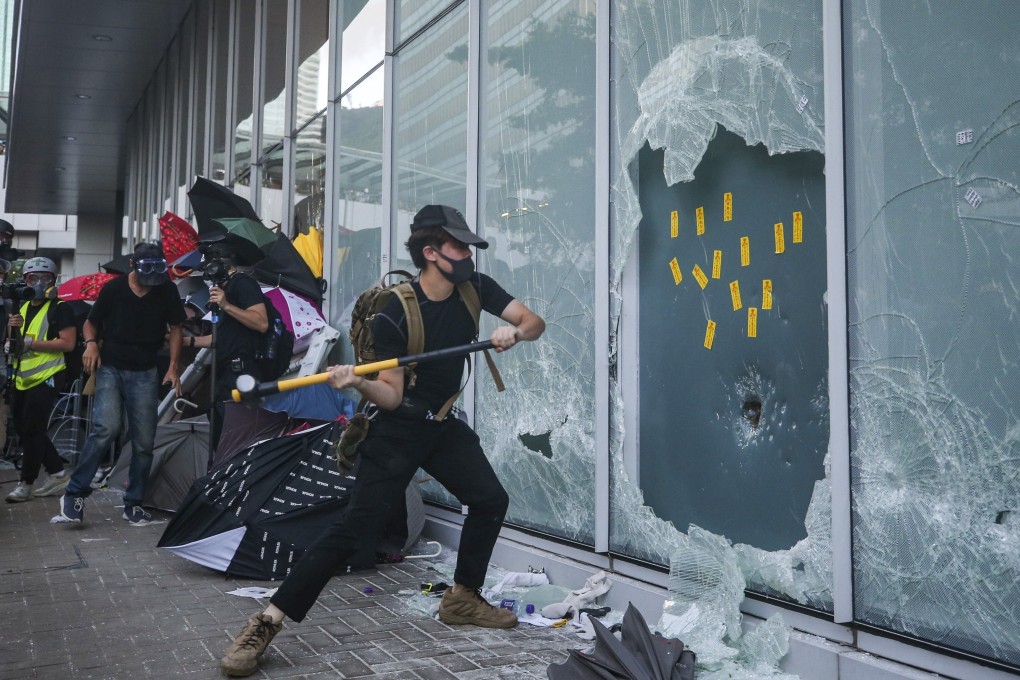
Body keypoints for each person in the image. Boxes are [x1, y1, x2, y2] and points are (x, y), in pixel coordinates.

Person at [219, 204, 545, 677]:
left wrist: (512, 332)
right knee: (353, 533)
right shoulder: (395, 309)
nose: (468, 252)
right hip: (395, 429)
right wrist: (356, 383)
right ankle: (265, 623)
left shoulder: (475, 288)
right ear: (432, 252)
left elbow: (535, 322)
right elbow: (390, 396)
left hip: (439, 423)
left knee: (489, 499)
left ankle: (463, 599)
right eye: (458, 245)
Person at [54, 242, 186, 525]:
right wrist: (90, 344)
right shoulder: (113, 289)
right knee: (106, 428)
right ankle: (74, 493)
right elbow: (91, 323)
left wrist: (174, 367)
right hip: (111, 367)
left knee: (143, 440)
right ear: (132, 266)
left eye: (157, 270)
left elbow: (176, 327)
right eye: (145, 271)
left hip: (145, 371)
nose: (151, 277)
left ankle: (134, 502)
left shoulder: (166, 289)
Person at [4, 257, 76, 502]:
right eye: (33, 278)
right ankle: (57, 473)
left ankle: (26, 483)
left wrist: (31, 343)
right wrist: (11, 331)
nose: (38, 282)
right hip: (22, 377)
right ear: (25, 280)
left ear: (53, 281)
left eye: (45, 278)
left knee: (33, 429)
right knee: (25, 430)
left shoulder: (60, 308)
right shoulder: (21, 306)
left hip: (48, 376)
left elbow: (68, 343)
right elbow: (13, 344)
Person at [189, 240, 268, 447]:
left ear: (224, 265)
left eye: (210, 266)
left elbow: (261, 322)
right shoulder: (224, 289)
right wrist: (185, 341)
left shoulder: (243, 283)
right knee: (219, 429)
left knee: (236, 436)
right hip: (225, 373)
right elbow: (220, 338)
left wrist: (226, 305)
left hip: (242, 372)